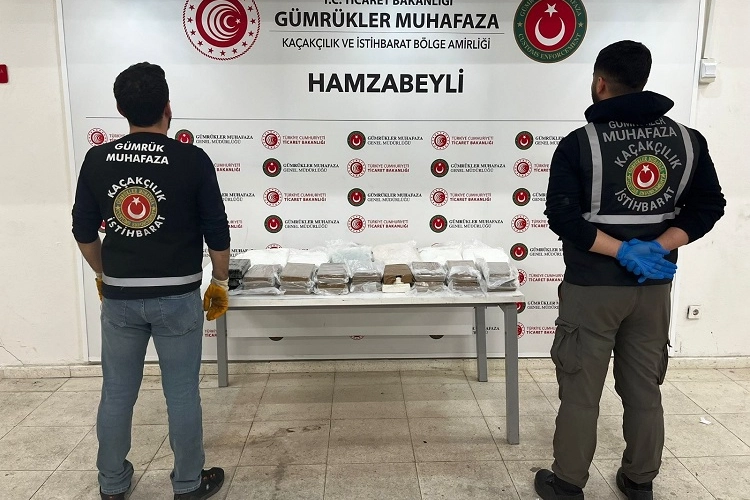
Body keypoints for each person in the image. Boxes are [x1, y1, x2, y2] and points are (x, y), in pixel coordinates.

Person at [535, 41, 725, 500]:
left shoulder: (580, 144)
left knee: (581, 391)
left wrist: (621, 251)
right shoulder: (688, 140)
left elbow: (563, 217)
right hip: (654, 288)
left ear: (600, 83)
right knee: (644, 389)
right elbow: (709, 206)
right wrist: (655, 248)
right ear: (643, 79)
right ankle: (640, 482)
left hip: (592, 289)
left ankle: (568, 484)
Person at [72, 62, 231, 500]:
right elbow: (216, 230)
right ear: (168, 108)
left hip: (121, 297)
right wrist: (220, 281)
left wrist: (103, 274)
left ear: (121, 110)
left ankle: (112, 484)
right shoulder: (192, 159)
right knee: (181, 393)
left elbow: (83, 229)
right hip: (178, 296)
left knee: (116, 393)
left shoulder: (97, 159)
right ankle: (188, 483)